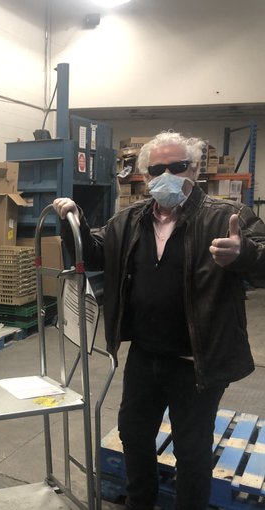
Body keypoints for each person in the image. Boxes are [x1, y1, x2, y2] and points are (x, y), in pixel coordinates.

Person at [52, 131, 265, 509]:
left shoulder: (227, 217)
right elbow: (95, 254)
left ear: (195, 170)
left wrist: (243, 253)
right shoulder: (129, 219)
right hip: (145, 356)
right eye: (157, 169)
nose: (167, 175)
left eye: (177, 167)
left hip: (197, 361)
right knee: (134, 436)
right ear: (145, 176)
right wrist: (74, 223)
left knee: (192, 450)